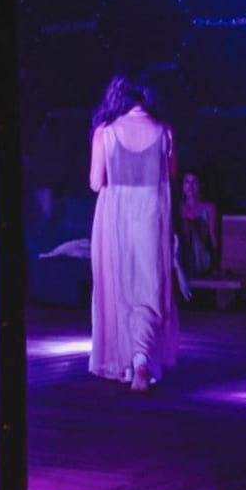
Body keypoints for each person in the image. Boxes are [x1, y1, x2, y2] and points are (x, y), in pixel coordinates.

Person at [87, 72, 177, 387]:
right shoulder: (164, 131)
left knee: (118, 286)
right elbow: (171, 174)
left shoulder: (106, 133)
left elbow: (96, 182)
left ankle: (128, 363)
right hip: (152, 213)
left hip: (115, 214)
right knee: (149, 287)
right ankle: (141, 360)